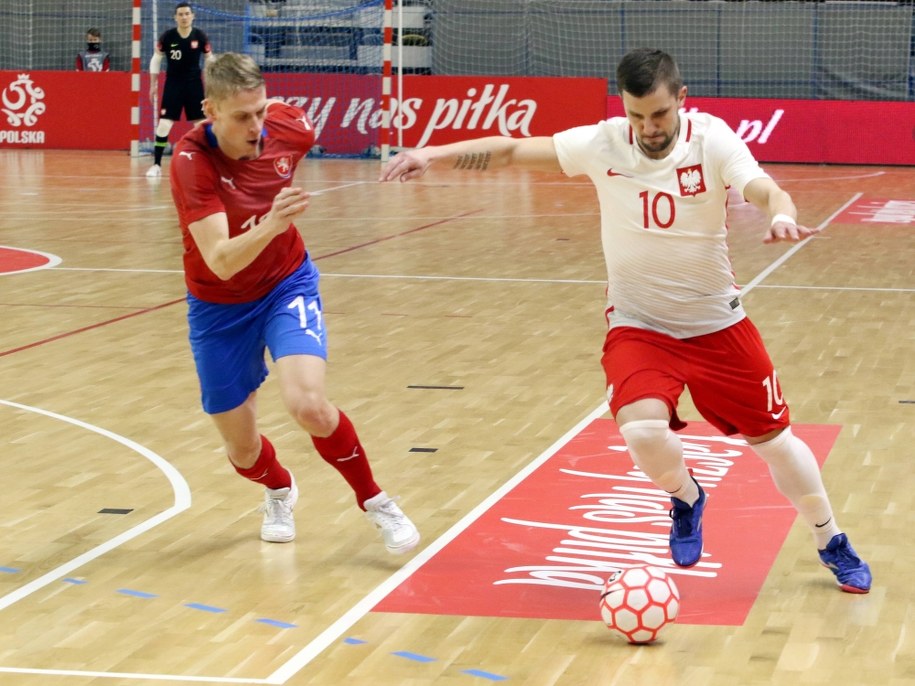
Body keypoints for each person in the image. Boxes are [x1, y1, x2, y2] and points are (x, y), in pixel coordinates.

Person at [379, 47, 871, 592]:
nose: (648, 127)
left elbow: (762, 188)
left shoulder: (711, 140)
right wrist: (433, 154)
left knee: (776, 443)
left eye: (658, 114)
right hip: (639, 325)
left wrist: (781, 214)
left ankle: (830, 539)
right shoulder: (604, 142)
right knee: (640, 430)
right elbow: (514, 150)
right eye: (637, 115)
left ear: (681, 99)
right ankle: (686, 497)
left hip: (717, 326)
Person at [168, 52, 420, 554]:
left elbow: (277, 114)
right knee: (241, 451)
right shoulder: (190, 161)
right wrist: (272, 224)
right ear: (209, 111)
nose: (256, 126)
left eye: (260, 110)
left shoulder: (290, 127)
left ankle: (376, 501)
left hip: (286, 283)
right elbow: (220, 260)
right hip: (218, 305)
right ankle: (278, 490)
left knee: (308, 405)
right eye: (241, 116)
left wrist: (277, 231)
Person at [147, 2, 214, 178]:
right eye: (180, 14)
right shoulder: (168, 37)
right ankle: (156, 165)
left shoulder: (200, 36)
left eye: (187, 14)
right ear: (175, 17)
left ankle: (209, 164)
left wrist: (212, 85)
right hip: (173, 85)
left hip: (194, 85)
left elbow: (209, 60)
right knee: (163, 125)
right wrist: (153, 84)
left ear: (193, 16)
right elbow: (156, 58)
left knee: (201, 126)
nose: (184, 17)